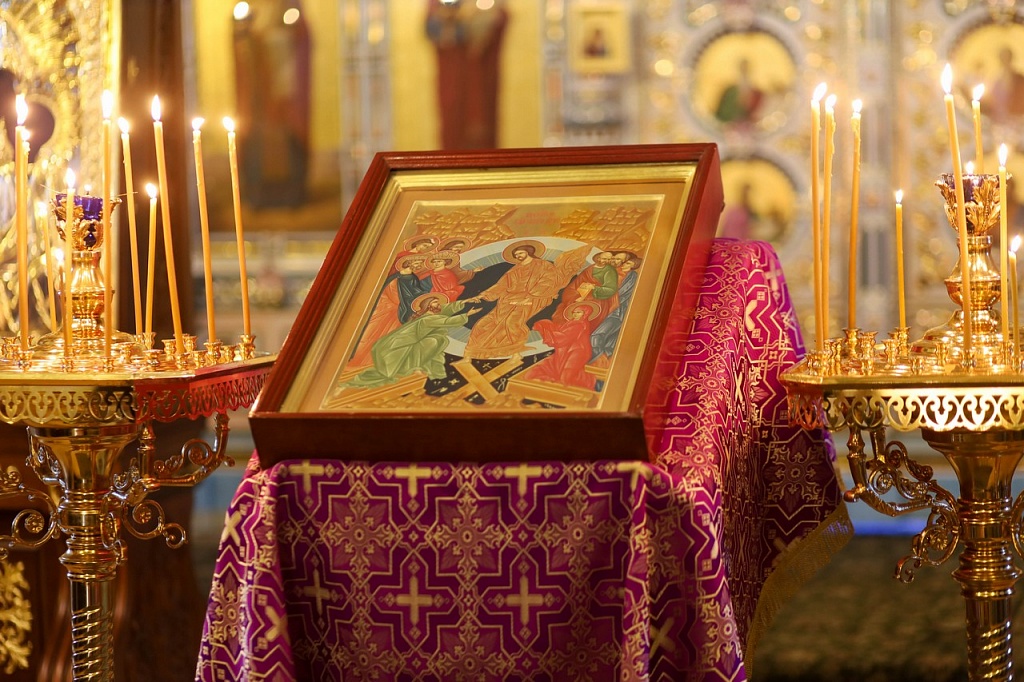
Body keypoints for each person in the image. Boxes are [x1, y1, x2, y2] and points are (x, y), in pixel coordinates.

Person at [347, 293, 480, 388]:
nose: (438, 304)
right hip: (403, 342)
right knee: (433, 342)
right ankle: (415, 368)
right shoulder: (427, 318)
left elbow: (447, 309)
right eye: (435, 302)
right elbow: (446, 321)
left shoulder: (433, 313)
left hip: (413, 341)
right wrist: (467, 314)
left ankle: (424, 370)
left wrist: (466, 301)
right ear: (428, 306)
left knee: (435, 341)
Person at [425, 0, 509, 150]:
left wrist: (477, 17)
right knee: (453, 122)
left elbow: (500, 17)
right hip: (452, 71)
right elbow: (432, 26)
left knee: (482, 125)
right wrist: (455, 18)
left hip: (482, 71)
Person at [463, 240, 561, 358]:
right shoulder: (515, 269)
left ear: (528, 252)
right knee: (484, 324)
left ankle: (516, 353)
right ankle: (477, 352)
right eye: (516, 255)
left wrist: (529, 298)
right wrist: (483, 295)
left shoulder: (544, 265)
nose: (518, 256)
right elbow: (502, 285)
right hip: (509, 299)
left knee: (511, 322)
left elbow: (548, 283)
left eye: (520, 253)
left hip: (533, 298)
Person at [523, 302, 600, 389]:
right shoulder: (570, 323)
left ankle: (593, 383)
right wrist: (545, 325)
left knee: (566, 377)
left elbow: (564, 337)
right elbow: (559, 329)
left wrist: (546, 331)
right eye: (574, 312)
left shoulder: (580, 325)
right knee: (542, 371)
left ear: (585, 314)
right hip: (564, 352)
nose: (575, 314)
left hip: (577, 353)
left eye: (578, 312)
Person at [590, 253, 641, 363]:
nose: (624, 264)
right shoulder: (614, 272)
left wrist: (607, 294)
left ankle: (595, 361)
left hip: (616, 311)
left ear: (633, 266)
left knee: (597, 335)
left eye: (628, 263)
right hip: (605, 307)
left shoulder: (632, 276)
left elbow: (622, 293)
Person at [714, 57, 764, 126]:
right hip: (732, 122)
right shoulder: (731, 91)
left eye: (746, 67)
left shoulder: (756, 91)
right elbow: (724, 111)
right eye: (743, 67)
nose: (745, 69)